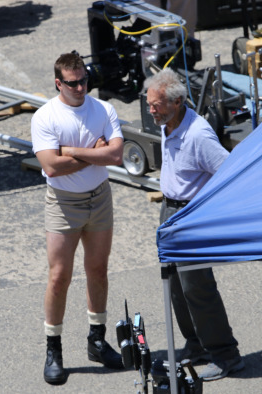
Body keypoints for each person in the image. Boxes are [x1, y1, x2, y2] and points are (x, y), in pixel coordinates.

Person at [144, 68, 245, 381]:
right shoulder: (167, 123)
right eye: (149, 103)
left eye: (156, 104)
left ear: (176, 102)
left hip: (192, 216)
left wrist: (209, 212)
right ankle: (196, 344)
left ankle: (226, 355)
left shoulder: (199, 135)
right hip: (170, 213)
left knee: (197, 287)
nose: (151, 110)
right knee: (174, 284)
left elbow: (229, 172)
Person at [31, 52, 124, 384]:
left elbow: (115, 154)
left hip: (99, 199)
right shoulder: (45, 117)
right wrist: (92, 155)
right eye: (73, 83)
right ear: (59, 83)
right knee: (59, 277)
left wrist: (71, 151)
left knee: (98, 270)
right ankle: (53, 348)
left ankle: (97, 340)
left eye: (85, 80)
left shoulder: (104, 109)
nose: (82, 87)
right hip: (62, 202)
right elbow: (51, 167)